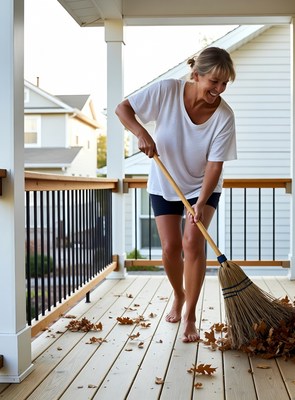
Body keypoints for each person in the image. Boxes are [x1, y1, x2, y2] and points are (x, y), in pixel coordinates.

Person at [115, 47, 237, 342]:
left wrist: (200, 201)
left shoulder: (224, 116)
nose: (219, 90)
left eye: (225, 84)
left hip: (202, 186)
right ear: (196, 76)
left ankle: (191, 314)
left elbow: (214, 165)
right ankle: (178, 295)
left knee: (192, 242)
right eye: (214, 82)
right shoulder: (167, 91)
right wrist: (141, 134)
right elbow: (123, 109)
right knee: (170, 248)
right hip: (165, 182)